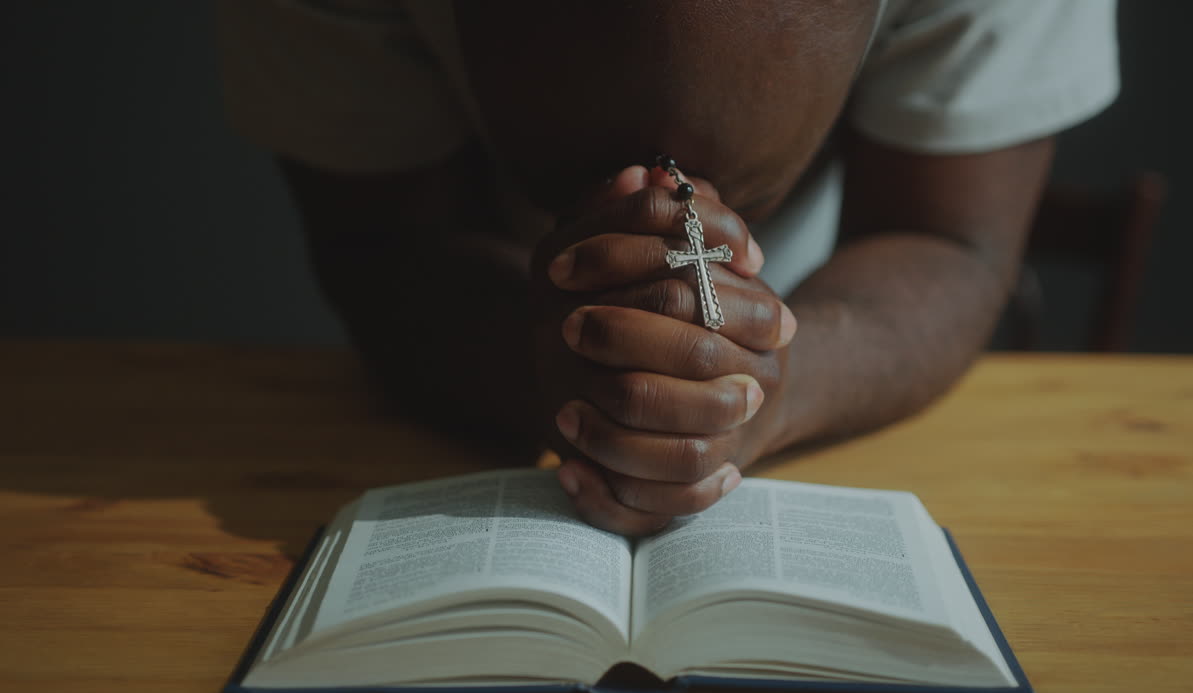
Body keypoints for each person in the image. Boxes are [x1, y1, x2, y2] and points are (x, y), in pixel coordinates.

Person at [216, 0, 1118, 535]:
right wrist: (526, 359)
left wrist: (770, 385)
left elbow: (953, 241)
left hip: (828, 318)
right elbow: (379, 244)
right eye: (582, 175)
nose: (653, 212)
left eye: (734, 186)